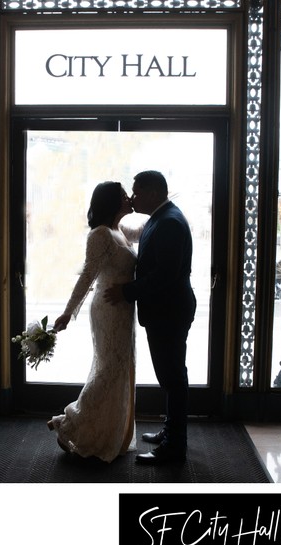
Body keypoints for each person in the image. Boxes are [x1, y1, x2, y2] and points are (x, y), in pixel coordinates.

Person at [105, 170, 196, 465]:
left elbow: (165, 276)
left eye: (137, 191)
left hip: (168, 311)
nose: (133, 197)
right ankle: (171, 432)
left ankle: (174, 446)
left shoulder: (169, 221)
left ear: (154, 193)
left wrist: (127, 291)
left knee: (173, 378)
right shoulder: (162, 217)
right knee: (171, 377)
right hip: (165, 310)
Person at [47, 181, 139, 462]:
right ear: (112, 201)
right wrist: (67, 312)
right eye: (124, 195)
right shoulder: (100, 235)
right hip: (108, 310)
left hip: (124, 310)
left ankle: (109, 432)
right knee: (108, 370)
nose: (129, 198)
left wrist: (161, 207)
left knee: (120, 367)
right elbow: (87, 276)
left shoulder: (120, 232)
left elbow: (146, 230)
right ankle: (71, 423)